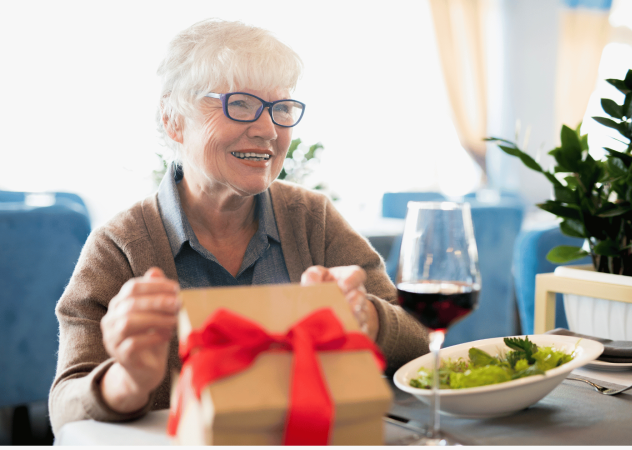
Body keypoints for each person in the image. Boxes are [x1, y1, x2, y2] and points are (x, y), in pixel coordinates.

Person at [48, 18, 429, 433]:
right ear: (174, 119)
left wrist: (366, 318)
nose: (268, 130)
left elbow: (421, 340)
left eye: (280, 108)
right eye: (240, 104)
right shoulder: (119, 246)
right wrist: (128, 381)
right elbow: (64, 406)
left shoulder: (313, 218)